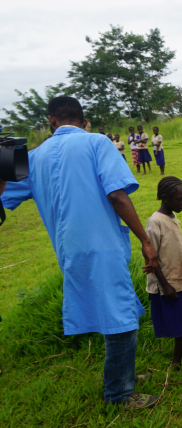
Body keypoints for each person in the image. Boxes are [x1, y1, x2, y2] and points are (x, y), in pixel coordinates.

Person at [0, 96, 159, 409]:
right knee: (120, 317)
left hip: (70, 251)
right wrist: (145, 239)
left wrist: (5, 162)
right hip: (101, 246)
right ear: (83, 120)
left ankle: (122, 375)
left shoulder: (33, 157)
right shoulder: (97, 143)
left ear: (52, 121)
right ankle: (119, 394)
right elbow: (117, 194)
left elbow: (3, 196)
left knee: (108, 309)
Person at [146, 176, 182, 370]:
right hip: (166, 282)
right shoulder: (155, 222)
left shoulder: (172, 217)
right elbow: (151, 256)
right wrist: (164, 285)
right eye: (180, 199)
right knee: (178, 323)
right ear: (165, 198)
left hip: (177, 278)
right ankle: (176, 361)